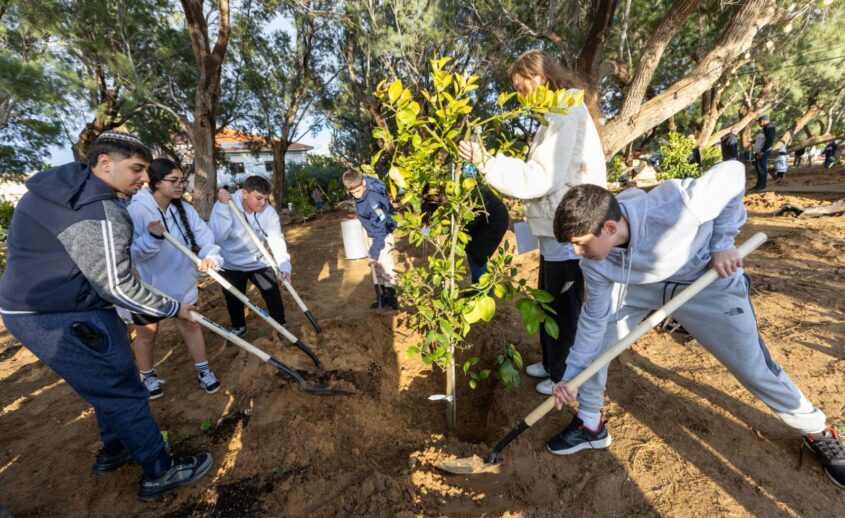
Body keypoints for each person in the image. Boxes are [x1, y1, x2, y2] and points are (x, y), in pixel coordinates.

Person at [547, 161, 844, 489]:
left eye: (579, 242)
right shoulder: (595, 261)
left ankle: (818, 430)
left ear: (608, 228)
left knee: (752, 366)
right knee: (603, 339)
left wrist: (722, 243)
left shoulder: (676, 206)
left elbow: (732, 171)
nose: (575, 252)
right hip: (640, 283)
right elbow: (593, 320)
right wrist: (573, 374)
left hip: (706, 279)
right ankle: (590, 423)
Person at [0, 131, 212, 500]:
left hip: (40, 308)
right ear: (104, 163)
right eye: (136, 169)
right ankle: (158, 471)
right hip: (62, 315)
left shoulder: (58, 188)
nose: (143, 179)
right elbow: (117, 286)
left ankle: (116, 448)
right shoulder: (99, 212)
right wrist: (175, 307)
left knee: (105, 381)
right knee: (123, 389)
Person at [458, 49, 607, 396]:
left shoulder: (566, 110)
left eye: (521, 86)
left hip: (572, 228)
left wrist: (487, 162)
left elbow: (541, 177)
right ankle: (553, 360)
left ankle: (563, 372)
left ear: (540, 76)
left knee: (564, 304)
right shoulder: (554, 116)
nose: (520, 95)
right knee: (548, 298)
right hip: (555, 228)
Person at [128, 158, 224, 399]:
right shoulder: (136, 210)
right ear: (157, 183)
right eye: (175, 181)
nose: (181, 185)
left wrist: (210, 257)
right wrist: (152, 237)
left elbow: (204, 237)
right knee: (148, 333)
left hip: (181, 279)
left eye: (182, 180)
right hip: (149, 285)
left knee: (191, 324)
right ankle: (148, 375)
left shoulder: (184, 208)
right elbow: (129, 253)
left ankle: (203, 371)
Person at [209, 175, 292, 336]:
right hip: (230, 263)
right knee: (233, 299)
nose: (263, 203)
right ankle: (239, 327)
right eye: (259, 198)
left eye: (266, 199)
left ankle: (280, 325)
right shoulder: (225, 204)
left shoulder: (268, 212)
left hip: (258, 261)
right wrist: (223, 207)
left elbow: (276, 239)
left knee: (272, 292)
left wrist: (284, 266)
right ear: (245, 193)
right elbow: (217, 236)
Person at [342, 169, 399, 310]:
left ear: (364, 183)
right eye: (352, 193)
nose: (356, 195)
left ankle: (393, 302)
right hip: (371, 232)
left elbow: (380, 231)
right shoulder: (359, 184)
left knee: (385, 268)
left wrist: (374, 254)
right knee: (377, 269)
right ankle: (383, 298)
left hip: (382, 236)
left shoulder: (374, 202)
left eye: (358, 191)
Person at [465, 187, 510, 283]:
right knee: (474, 254)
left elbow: (472, 219)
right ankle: (478, 288)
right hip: (487, 222)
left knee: (477, 258)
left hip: (493, 224)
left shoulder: (476, 195)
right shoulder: (475, 191)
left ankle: (482, 292)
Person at [751, 115, 777, 191]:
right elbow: (763, 140)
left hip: (763, 152)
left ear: (762, 121)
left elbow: (770, 141)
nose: (758, 124)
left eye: (758, 122)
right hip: (759, 151)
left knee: (762, 168)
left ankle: (762, 186)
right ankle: (758, 185)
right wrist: (754, 142)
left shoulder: (770, 127)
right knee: (759, 168)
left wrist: (762, 151)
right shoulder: (765, 128)